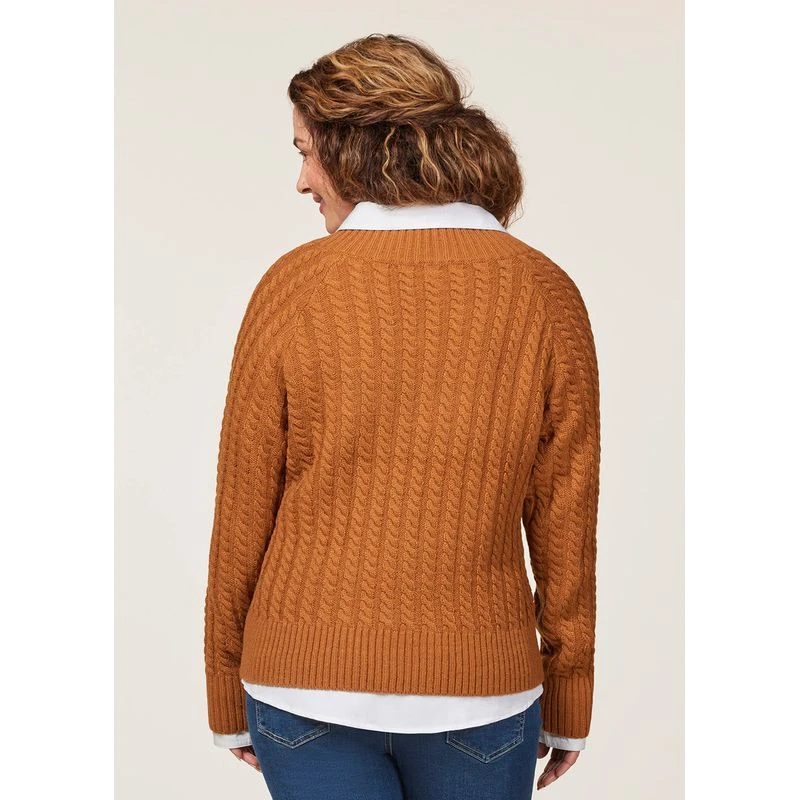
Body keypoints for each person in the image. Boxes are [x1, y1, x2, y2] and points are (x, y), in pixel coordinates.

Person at [203, 33, 600, 799]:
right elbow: (565, 516)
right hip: (482, 692)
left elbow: (243, 507)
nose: (301, 180)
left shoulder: (293, 286)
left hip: (303, 685)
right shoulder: (544, 291)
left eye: (305, 153)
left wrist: (225, 689)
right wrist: (571, 694)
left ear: (352, 149)